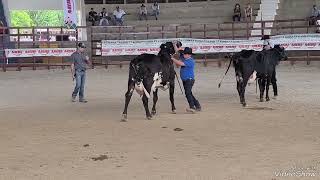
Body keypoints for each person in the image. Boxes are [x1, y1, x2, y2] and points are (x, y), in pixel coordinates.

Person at [171, 47, 201, 113]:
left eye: (185, 54)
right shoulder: (184, 58)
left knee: (187, 93)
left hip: (189, 80)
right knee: (189, 93)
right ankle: (197, 105)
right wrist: (175, 45)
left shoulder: (191, 61)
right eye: (184, 54)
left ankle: (192, 107)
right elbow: (178, 52)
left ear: (189, 55)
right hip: (185, 80)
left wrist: (172, 58)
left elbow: (180, 64)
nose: (184, 55)